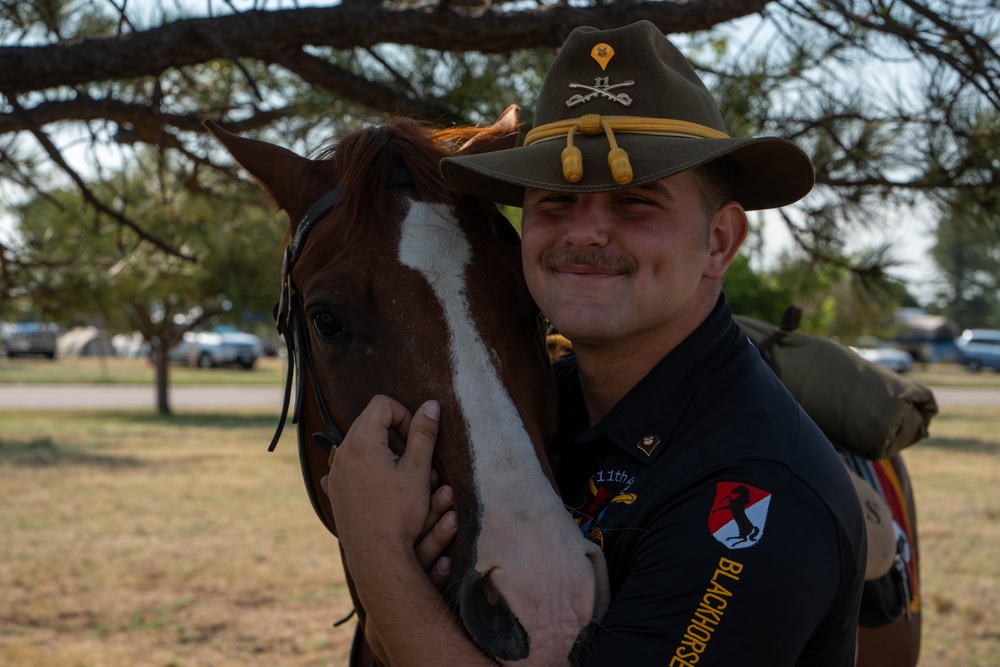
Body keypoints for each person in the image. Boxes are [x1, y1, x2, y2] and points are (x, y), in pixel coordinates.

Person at [322, 20, 866, 666]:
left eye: (636, 202)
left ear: (719, 241)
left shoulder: (757, 486)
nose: (586, 233)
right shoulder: (539, 409)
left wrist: (377, 555)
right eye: (555, 200)